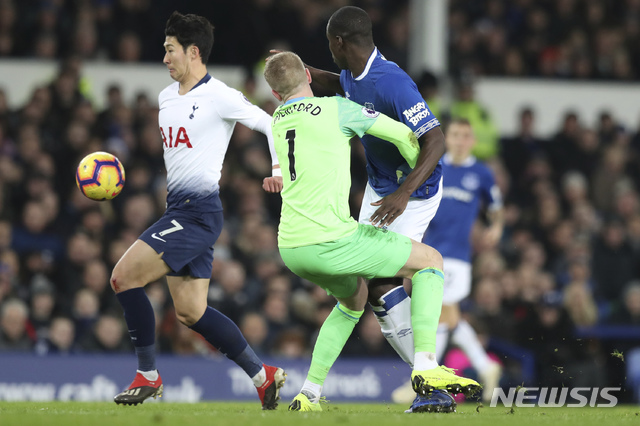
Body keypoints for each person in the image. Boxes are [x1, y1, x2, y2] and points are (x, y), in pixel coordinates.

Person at [263, 51, 479, 413]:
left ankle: (309, 393)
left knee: (352, 302)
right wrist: (414, 181)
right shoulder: (337, 109)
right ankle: (427, 367)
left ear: (274, 94)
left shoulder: (277, 120)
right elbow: (405, 135)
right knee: (430, 262)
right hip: (333, 239)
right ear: (310, 78)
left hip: (291, 247)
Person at [110, 11, 285, 409]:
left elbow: (270, 124)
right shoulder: (166, 97)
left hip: (199, 213)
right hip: (178, 209)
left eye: (170, 50)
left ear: (193, 52)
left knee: (123, 278)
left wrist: (276, 170)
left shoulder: (220, 94)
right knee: (191, 312)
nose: (165, 58)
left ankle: (148, 376)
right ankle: (263, 376)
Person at [424, 118, 504, 402]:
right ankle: (486, 366)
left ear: (472, 141)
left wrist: (496, 227)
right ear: (448, 138)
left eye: (464, 136)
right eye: (455, 135)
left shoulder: (481, 173)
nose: (459, 140)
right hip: (427, 252)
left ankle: (426, 379)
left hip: (457, 256)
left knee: (442, 315)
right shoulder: (434, 164)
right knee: (445, 317)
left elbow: (495, 207)